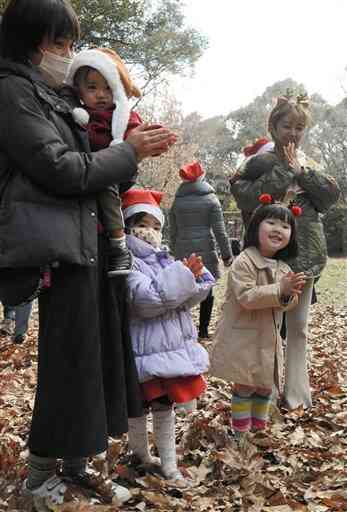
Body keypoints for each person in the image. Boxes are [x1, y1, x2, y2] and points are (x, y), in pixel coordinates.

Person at [0, 0, 176, 509]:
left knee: (93, 358)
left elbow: (100, 171)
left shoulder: (52, 94)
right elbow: (62, 169)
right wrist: (130, 151)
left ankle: (76, 466)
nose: (68, 55)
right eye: (61, 44)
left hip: (90, 242)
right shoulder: (12, 91)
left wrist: (127, 147)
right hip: (55, 249)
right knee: (68, 360)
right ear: (31, 41)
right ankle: (38, 478)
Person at [230, 94, 340, 410]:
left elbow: (330, 198)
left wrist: (301, 171)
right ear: (274, 126)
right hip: (268, 257)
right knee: (266, 329)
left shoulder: (310, 162)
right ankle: (262, 394)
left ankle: (295, 395)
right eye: (287, 126)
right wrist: (283, 172)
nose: (293, 133)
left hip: (304, 258)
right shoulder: (259, 162)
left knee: (299, 328)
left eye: (299, 127)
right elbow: (246, 197)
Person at [121, 188, 214, 484]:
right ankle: (140, 454)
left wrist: (194, 279)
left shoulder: (164, 259)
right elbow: (147, 299)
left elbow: (179, 299)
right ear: (128, 226)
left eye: (156, 226)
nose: (149, 232)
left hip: (168, 350)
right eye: (143, 224)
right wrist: (181, 276)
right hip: (143, 349)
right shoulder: (127, 262)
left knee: (165, 408)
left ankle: (169, 464)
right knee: (137, 410)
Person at [210, 197, 306, 444]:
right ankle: (241, 435)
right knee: (245, 385)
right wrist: (279, 289)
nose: (278, 229)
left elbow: (289, 303)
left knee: (265, 386)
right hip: (244, 337)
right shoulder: (244, 261)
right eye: (271, 222)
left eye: (285, 226)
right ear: (256, 228)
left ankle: (258, 430)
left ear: (291, 236)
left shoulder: (284, 267)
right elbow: (246, 297)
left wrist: (287, 293)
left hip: (269, 338)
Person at [65, 47, 143, 276]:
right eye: (92, 87)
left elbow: (137, 137)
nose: (101, 94)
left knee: (107, 189)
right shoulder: (76, 114)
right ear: (78, 89)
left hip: (109, 171)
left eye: (108, 87)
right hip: (84, 172)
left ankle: (119, 245)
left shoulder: (122, 116)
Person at [169, 161, 232, 339]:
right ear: (201, 176)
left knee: (182, 289)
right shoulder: (210, 199)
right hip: (206, 249)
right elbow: (220, 231)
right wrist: (227, 255)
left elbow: (173, 231)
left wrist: (175, 251)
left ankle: (181, 329)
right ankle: (203, 330)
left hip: (183, 249)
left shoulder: (178, 200)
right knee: (208, 289)